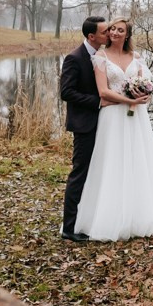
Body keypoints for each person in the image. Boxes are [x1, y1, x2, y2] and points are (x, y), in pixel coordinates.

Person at [74, 18, 153, 241]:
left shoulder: (136, 58)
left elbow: (146, 84)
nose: (115, 33)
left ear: (127, 35)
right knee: (113, 161)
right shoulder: (100, 58)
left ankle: (139, 216)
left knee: (138, 160)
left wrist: (142, 95)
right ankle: (110, 218)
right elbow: (103, 92)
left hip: (136, 116)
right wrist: (127, 100)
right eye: (112, 29)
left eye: (120, 30)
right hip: (112, 115)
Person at [59, 15, 108, 242]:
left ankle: (93, 219)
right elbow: (66, 92)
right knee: (80, 173)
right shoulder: (74, 58)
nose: (108, 34)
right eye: (104, 32)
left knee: (100, 173)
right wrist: (98, 102)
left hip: (106, 124)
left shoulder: (103, 56)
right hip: (85, 125)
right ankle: (69, 228)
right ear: (92, 36)